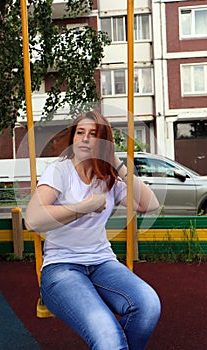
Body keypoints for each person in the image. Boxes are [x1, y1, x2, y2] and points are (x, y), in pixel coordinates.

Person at [25, 110, 161, 350]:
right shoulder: (60, 171)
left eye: (94, 135)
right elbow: (33, 220)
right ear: (73, 138)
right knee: (108, 336)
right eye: (80, 132)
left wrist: (117, 164)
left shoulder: (107, 177)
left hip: (102, 263)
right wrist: (84, 207)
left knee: (148, 304)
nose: (85, 138)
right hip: (62, 268)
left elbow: (150, 205)